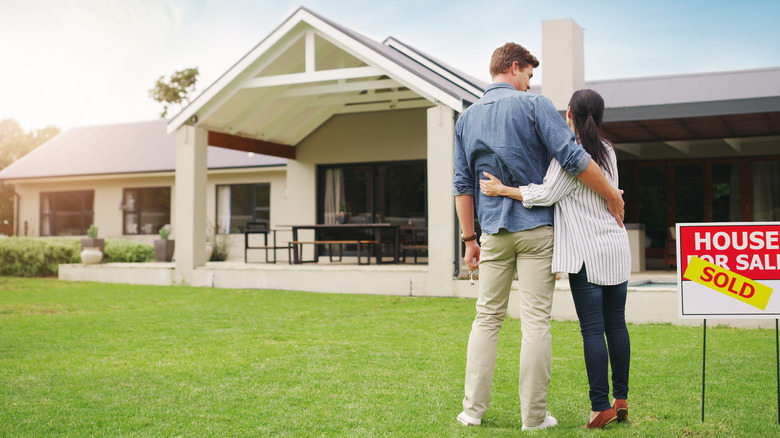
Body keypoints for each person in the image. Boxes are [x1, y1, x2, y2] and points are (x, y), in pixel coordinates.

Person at [452, 43, 624, 431]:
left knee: (486, 320)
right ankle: (533, 418)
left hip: (493, 232)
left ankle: (472, 412)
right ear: (514, 68)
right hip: (536, 230)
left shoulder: (466, 119)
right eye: (529, 75)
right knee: (535, 323)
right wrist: (612, 194)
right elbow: (574, 158)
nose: (530, 84)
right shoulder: (536, 106)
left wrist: (469, 240)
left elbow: (462, 185)